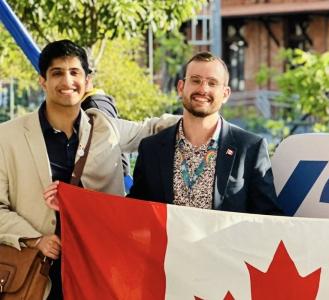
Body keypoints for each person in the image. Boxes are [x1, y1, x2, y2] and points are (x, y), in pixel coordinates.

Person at [0, 39, 177, 299]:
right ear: (42, 81)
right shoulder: (8, 136)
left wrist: (205, 116)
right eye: (57, 73)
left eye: (74, 72)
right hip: (39, 272)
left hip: (100, 266)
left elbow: (153, 128)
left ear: (88, 81)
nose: (67, 81)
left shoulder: (106, 128)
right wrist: (35, 239)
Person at [126, 52, 283, 215]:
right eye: (195, 80)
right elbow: (136, 214)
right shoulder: (151, 148)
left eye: (212, 83)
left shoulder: (250, 148)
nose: (203, 89)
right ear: (181, 87)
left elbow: (269, 218)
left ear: (225, 94)